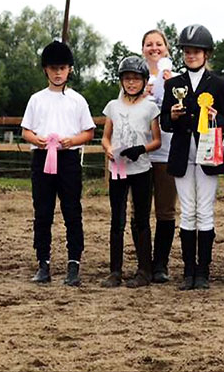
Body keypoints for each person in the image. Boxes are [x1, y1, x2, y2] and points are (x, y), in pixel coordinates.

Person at [160, 24, 224, 291]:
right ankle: (188, 270)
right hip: (182, 152)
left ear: (206, 54)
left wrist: (216, 117)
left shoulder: (220, 83)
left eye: (196, 52)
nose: (191, 56)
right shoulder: (173, 84)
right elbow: (165, 122)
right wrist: (173, 116)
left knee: (205, 210)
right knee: (187, 211)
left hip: (208, 152)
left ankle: (203, 271)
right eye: (187, 52)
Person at [22, 41, 95, 286]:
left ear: (69, 70)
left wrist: (71, 140)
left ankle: (74, 263)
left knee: (72, 211)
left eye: (62, 68)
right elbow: (26, 131)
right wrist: (38, 140)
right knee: (42, 212)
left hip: (68, 158)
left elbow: (89, 132)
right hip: (42, 158)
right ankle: (43, 263)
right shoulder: (36, 100)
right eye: (53, 68)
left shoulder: (77, 100)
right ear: (45, 70)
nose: (57, 73)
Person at [100, 56, 162, 288]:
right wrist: (108, 150)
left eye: (136, 79)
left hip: (141, 168)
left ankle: (144, 270)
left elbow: (156, 140)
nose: (131, 83)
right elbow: (106, 136)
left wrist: (141, 149)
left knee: (141, 219)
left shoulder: (150, 108)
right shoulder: (113, 107)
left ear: (144, 81)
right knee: (117, 219)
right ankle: (115, 271)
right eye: (127, 79)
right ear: (121, 81)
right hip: (118, 167)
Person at [141, 29, 179, 283]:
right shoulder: (133, 79)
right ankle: (143, 263)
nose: (154, 48)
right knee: (140, 211)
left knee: (165, 211)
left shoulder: (175, 78)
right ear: (142, 49)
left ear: (166, 48)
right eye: (148, 44)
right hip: (141, 154)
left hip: (166, 152)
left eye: (158, 44)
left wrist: (169, 84)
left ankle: (160, 264)